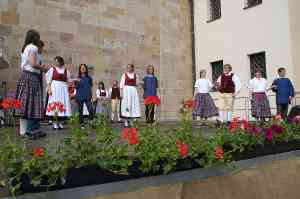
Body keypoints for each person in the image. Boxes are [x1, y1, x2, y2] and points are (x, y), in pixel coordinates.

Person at [15, 29, 48, 139]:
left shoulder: (25, 48)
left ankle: (34, 129)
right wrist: (43, 68)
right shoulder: (33, 47)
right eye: (38, 37)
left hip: (26, 76)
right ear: (35, 38)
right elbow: (33, 63)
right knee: (32, 103)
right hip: (31, 76)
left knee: (31, 103)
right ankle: (31, 130)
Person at [46, 56, 72, 130]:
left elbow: (68, 80)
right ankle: (55, 123)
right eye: (55, 61)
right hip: (55, 88)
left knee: (62, 103)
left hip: (63, 89)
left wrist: (73, 81)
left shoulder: (66, 71)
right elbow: (48, 81)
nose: (56, 63)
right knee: (55, 103)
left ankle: (60, 122)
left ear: (61, 62)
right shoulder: (52, 70)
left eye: (57, 61)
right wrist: (49, 89)